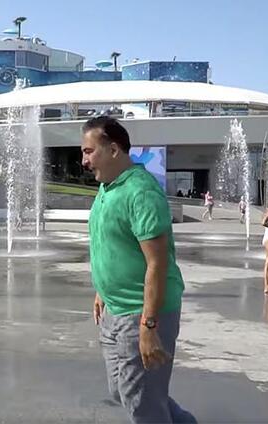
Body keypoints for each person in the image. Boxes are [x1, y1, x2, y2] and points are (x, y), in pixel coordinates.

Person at [81, 116, 196, 424]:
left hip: (141, 312)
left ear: (113, 150)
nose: (84, 160)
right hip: (114, 310)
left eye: (89, 151)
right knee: (125, 390)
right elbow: (110, 243)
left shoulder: (140, 192)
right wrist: (101, 289)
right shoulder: (107, 187)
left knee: (142, 402)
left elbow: (157, 263)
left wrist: (149, 325)